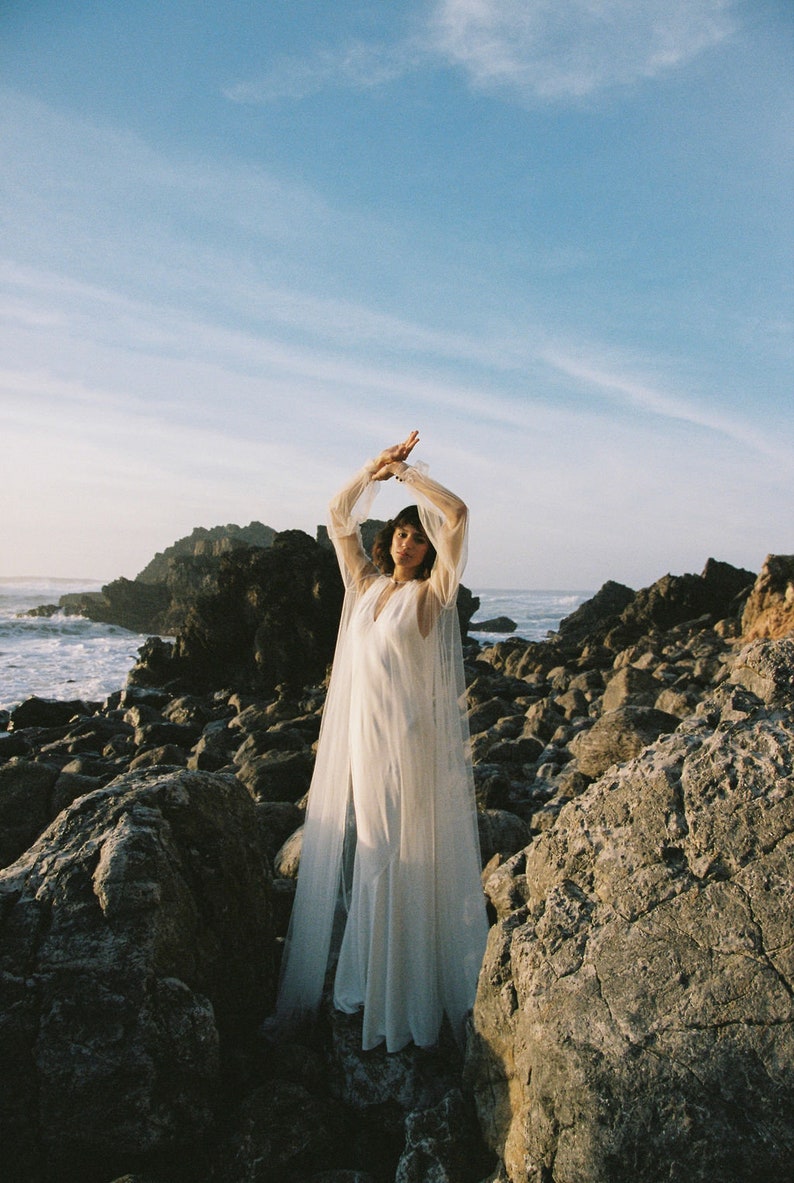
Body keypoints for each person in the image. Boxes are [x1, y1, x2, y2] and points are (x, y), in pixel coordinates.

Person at [275, 430, 489, 1053]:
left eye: (419, 536)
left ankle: (408, 997)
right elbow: (338, 515)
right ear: (388, 539)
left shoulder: (432, 597)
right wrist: (377, 468)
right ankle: (372, 983)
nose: (410, 540)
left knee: (401, 857)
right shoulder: (364, 586)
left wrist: (413, 477)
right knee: (371, 854)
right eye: (402, 531)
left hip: (408, 746)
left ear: (427, 551)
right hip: (365, 746)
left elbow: (460, 515)